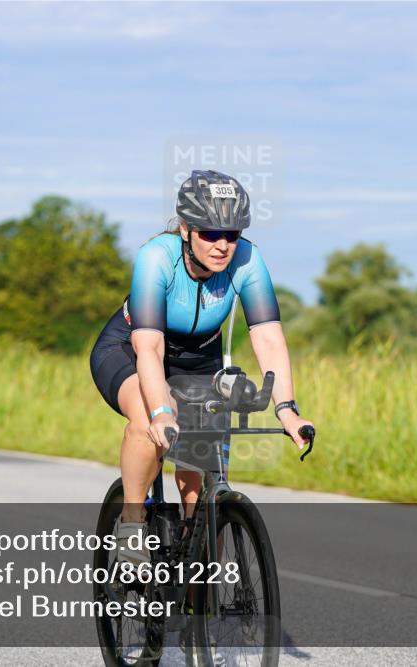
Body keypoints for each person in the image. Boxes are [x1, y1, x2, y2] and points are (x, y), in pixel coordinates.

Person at [89, 169, 315, 563]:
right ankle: (130, 522)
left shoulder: (248, 258)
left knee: (199, 482)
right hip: (131, 349)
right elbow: (151, 347)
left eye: (232, 234)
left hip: (199, 359)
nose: (223, 244)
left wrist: (287, 410)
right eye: (210, 233)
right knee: (148, 423)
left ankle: (196, 595)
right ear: (185, 229)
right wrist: (161, 412)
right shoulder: (156, 257)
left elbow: (267, 337)